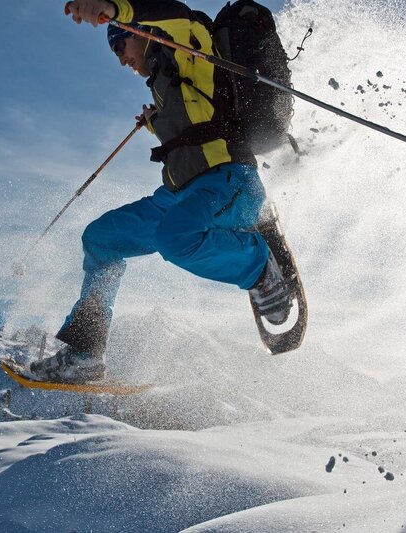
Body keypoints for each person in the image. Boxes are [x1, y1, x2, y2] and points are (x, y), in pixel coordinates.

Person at [31, 0, 291, 382]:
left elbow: (177, 14)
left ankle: (260, 268)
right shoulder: (166, 82)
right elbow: (198, 124)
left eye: (119, 46)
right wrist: (156, 122)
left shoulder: (187, 42)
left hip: (230, 182)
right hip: (182, 194)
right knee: (101, 238)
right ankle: (85, 351)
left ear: (136, 32)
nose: (121, 60)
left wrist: (113, 8)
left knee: (176, 239)